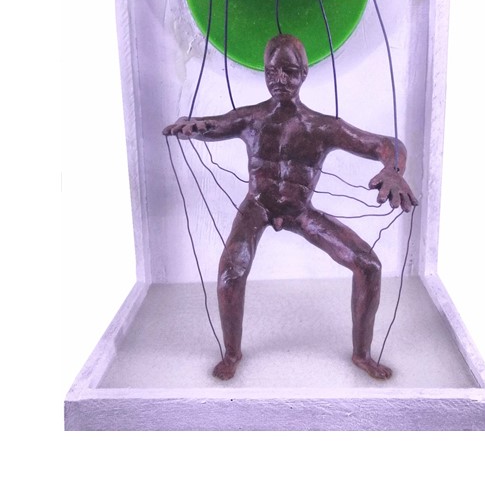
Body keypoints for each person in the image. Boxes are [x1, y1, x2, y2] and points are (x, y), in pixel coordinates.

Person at [164, 34, 417, 380]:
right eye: (272, 72)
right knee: (230, 272)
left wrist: (393, 170)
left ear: (304, 74)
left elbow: (387, 145)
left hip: (300, 211)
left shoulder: (323, 127)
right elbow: (213, 124)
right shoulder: (252, 118)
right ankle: (232, 353)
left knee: (368, 265)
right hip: (257, 207)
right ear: (264, 72)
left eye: (290, 71)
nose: (279, 79)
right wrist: (191, 126)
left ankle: (362, 354)